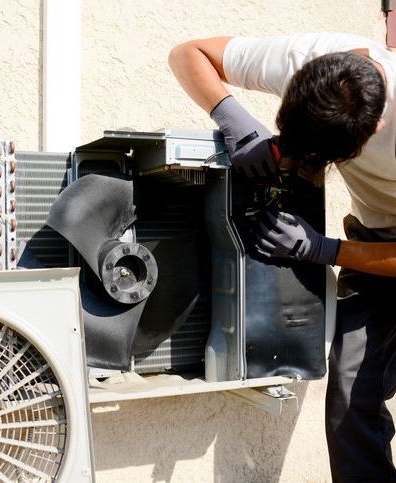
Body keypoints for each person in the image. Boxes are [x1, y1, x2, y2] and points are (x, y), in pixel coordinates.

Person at [169, 33, 396, 482]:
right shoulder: (312, 61)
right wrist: (232, 117)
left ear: (373, 130)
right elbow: (187, 54)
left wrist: (325, 249)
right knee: (351, 401)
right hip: (374, 236)